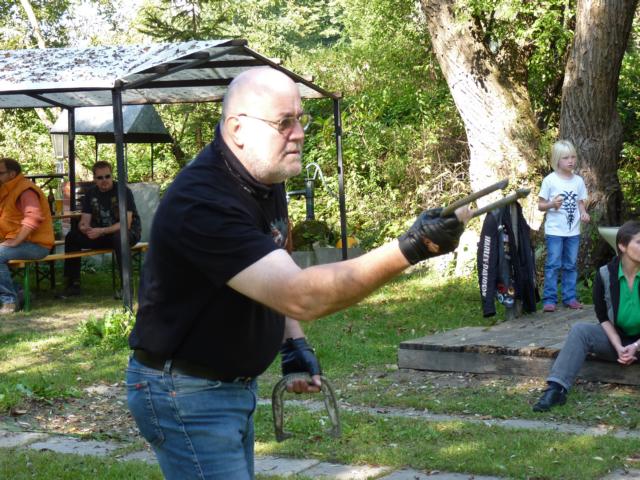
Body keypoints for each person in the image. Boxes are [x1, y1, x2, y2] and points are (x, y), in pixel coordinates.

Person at [126, 67, 472, 480]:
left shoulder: (263, 174)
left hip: (224, 386)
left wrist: (293, 343)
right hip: (184, 392)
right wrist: (412, 247)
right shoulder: (203, 202)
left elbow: (274, 264)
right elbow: (300, 294)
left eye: (300, 119)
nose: (300, 133)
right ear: (237, 129)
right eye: (284, 122)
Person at [533, 220, 640, 412]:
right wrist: (619, 346)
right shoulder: (605, 274)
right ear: (623, 246)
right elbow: (603, 317)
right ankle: (556, 389)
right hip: (618, 340)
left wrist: (635, 346)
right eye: (639, 242)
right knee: (580, 331)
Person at [60, 161, 141, 296]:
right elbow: (85, 220)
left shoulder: (123, 191)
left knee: (120, 237)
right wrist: (84, 227)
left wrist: (101, 231)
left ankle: (126, 287)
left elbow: (126, 223)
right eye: (100, 177)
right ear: (94, 179)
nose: (104, 180)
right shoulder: (91, 193)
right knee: (72, 237)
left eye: (107, 176)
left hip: (128, 232)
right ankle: (73, 285)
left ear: (112, 176)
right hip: (101, 234)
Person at [538, 140, 590, 312]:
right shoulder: (549, 181)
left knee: (570, 265)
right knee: (553, 264)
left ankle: (570, 298)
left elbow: (580, 202)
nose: (571, 161)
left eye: (573, 157)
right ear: (556, 160)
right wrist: (552, 204)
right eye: (566, 158)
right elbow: (540, 205)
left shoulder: (578, 181)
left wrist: (583, 213)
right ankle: (549, 300)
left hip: (573, 232)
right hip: (554, 231)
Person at [0, 158, 54, 313]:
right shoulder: (7, 190)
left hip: (37, 245)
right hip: (19, 243)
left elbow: (33, 218)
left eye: (0, 173)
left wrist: (16, 241)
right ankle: (20, 292)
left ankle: (9, 302)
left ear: (12, 174)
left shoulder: (25, 190)